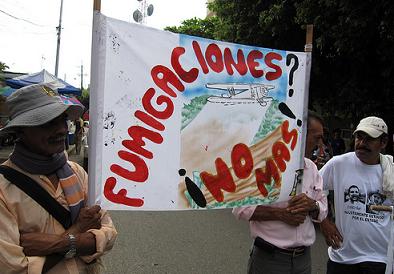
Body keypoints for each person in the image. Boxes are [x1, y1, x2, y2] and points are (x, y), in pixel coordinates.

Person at [0, 84, 117, 273]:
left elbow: (108, 233)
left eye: (62, 120)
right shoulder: (4, 189)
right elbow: (13, 267)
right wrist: (81, 234)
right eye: (47, 123)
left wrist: (62, 242)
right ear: (20, 130)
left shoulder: (76, 171)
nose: (62, 130)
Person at [233, 111, 328, 274]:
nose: (321, 145)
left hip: (303, 260)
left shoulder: (311, 168)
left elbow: (323, 209)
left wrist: (312, 205)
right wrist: (280, 214)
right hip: (270, 260)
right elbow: (240, 209)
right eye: (317, 138)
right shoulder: (263, 166)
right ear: (300, 133)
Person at [319, 116, 393, 274]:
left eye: (369, 139)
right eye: (359, 137)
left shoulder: (391, 170)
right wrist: (324, 221)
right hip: (342, 256)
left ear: (383, 142)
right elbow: (313, 189)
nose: (361, 143)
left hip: (379, 258)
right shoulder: (338, 164)